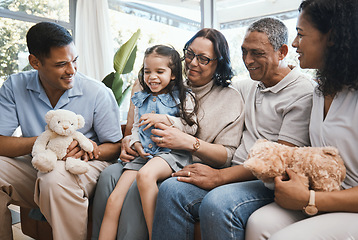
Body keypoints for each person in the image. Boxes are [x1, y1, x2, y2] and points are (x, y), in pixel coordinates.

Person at [152, 17, 316, 240]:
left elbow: (279, 162)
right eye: (244, 51)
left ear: (282, 52)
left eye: (257, 53)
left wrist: (220, 176)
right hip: (234, 173)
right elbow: (206, 89)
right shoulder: (247, 86)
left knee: (218, 203)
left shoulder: (302, 93)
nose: (248, 61)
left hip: (267, 182)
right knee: (171, 189)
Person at [245, 0, 358, 239]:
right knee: (258, 223)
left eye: (300, 34)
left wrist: (311, 198)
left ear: (331, 37)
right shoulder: (321, 89)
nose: (294, 43)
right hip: (330, 195)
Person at [92, 28, 245, 240]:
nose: (192, 62)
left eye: (203, 58)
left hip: (182, 162)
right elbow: (136, 126)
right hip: (148, 154)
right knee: (108, 175)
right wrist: (129, 141)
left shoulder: (230, 98)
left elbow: (227, 155)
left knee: (140, 184)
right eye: (189, 54)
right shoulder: (165, 84)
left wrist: (190, 142)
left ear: (218, 62)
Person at [0, 22, 122, 240]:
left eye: (74, 61)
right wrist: (46, 143)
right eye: (61, 64)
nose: (72, 70)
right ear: (35, 62)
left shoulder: (97, 92)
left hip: (85, 167)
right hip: (38, 162)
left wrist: (88, 151)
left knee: (54, 178)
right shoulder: (14, 86)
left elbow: (115, 147)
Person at [98, 45, 198, 240]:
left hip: (170, 154)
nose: (152, 76)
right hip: (143, 155)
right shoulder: (141, 98)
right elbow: (136, 127)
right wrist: (135, 143)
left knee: (145, 176)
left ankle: (156, 235)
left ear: (174, 74)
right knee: (114, 200)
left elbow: (191, 127)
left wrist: (166, 120)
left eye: (160, 71)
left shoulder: (184, 96)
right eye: (147, 71)